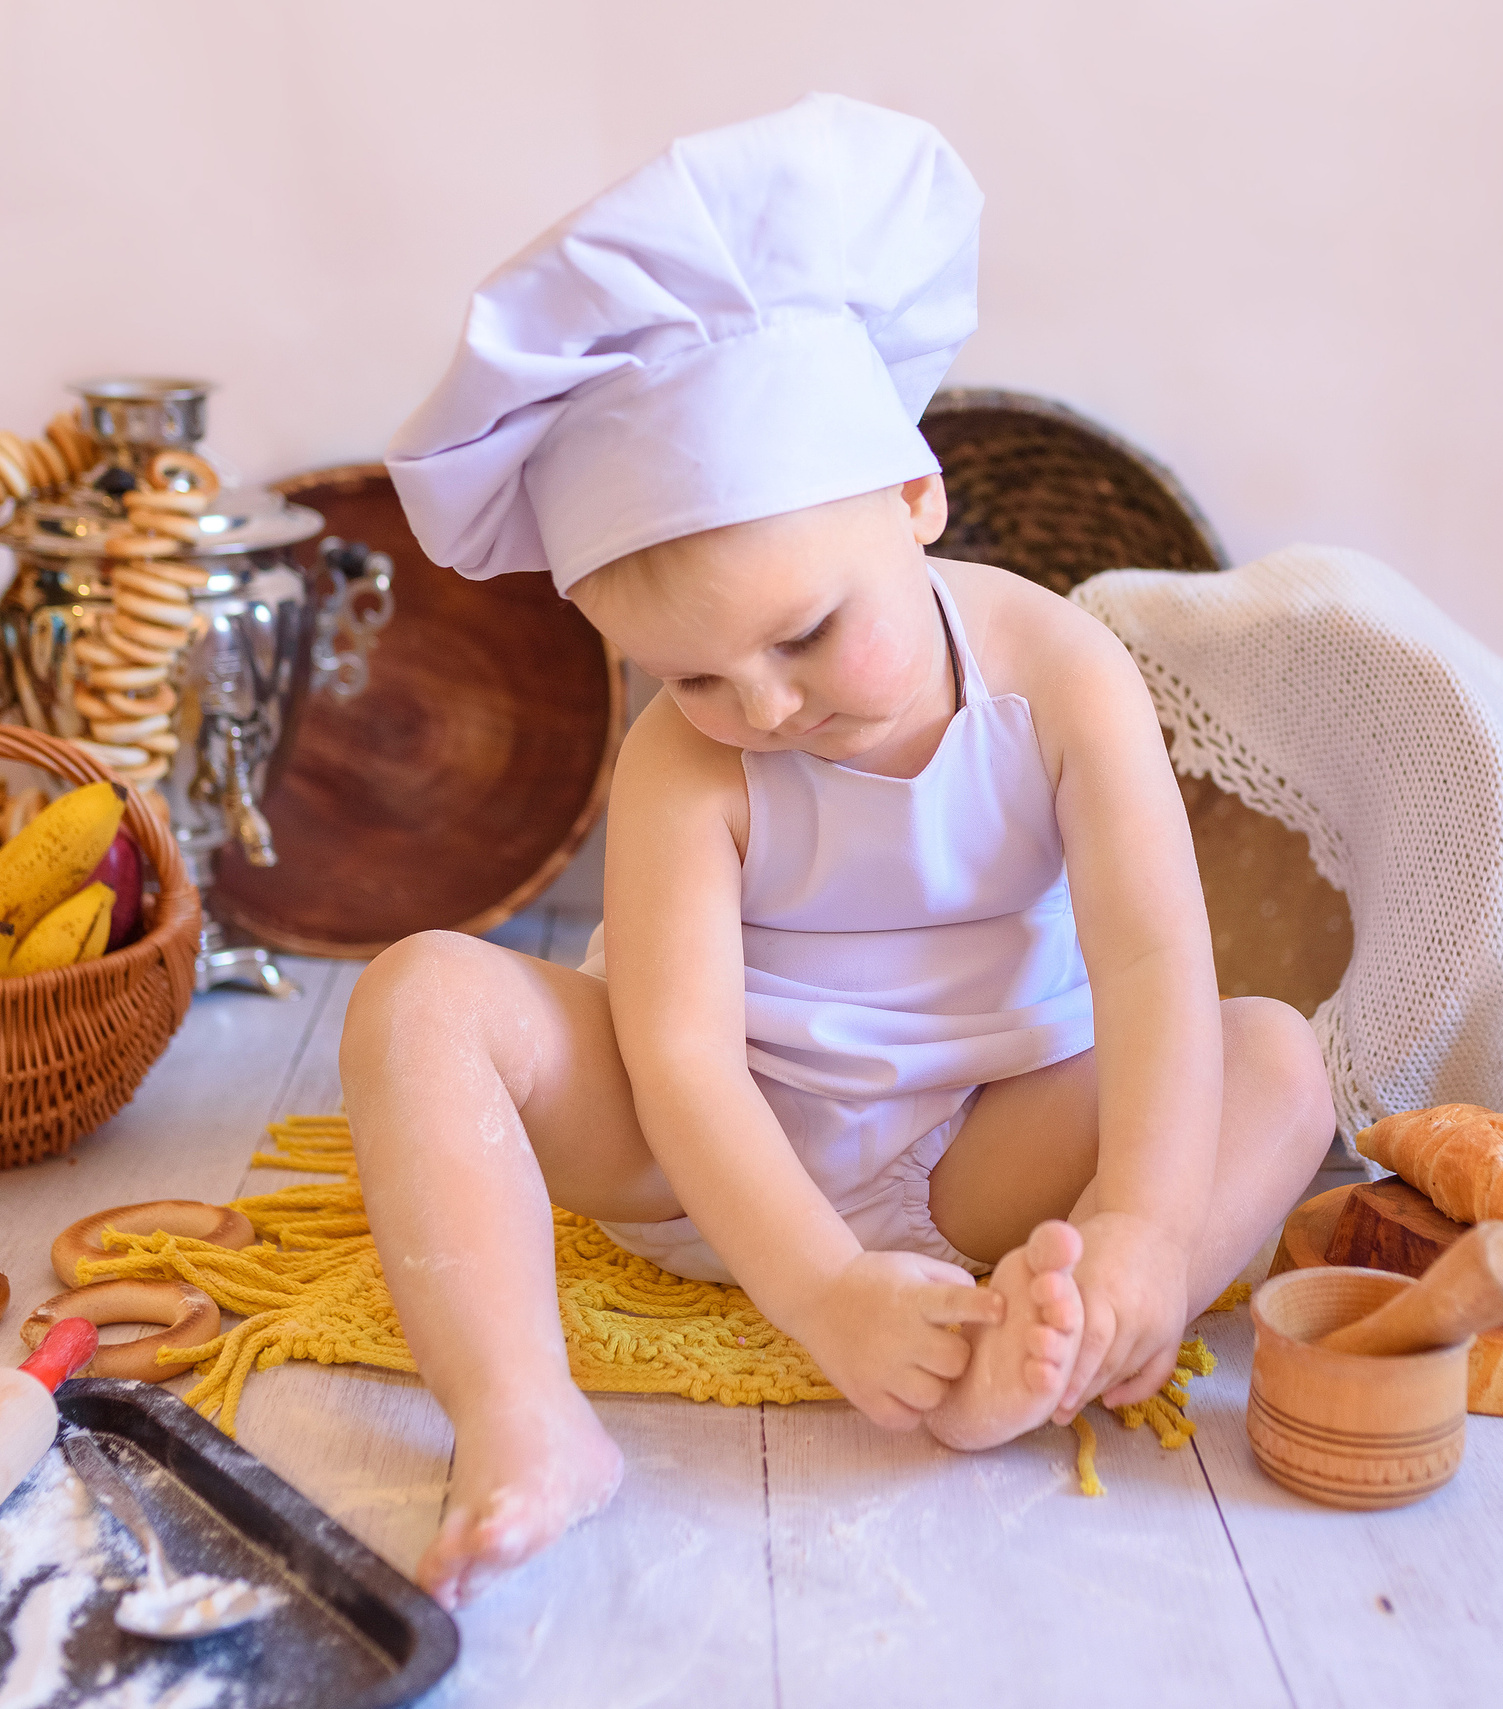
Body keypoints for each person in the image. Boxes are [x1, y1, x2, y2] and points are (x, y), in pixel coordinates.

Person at [348, 93, 1336, 1609]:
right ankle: (522, 1416)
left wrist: (1136, 1210)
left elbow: (1149, 958)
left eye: (805, 633)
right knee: (418, 994)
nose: (762, 705)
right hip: (705, 1165)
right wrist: (819, 1293)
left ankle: (1071, 1327)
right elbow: (677, 1059)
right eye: (690, 676)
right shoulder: (690, 763)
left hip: (983, 1142)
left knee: (1274, 1061)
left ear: (916, 494)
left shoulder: (1065, 674)